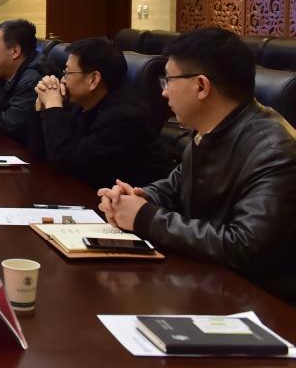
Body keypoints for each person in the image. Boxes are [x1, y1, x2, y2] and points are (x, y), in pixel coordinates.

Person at [99, 28, 296, 303]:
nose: (164, 92)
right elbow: (176, 185)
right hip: (211, 282)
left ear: (201, 86)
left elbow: (244, 246)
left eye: (169, 80)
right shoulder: (211, 129)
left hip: (262, 304)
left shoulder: (274, 150)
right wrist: (138, 198)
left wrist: (145, 218)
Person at [28, 37, 171, 189]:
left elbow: (65, 163)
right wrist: (42, 106)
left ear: (93, 80)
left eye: (68, 72)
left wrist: (53, 107)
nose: (62, 79)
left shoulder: (125, 117)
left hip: (131, 199)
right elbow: (40, 152)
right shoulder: (81, 103)